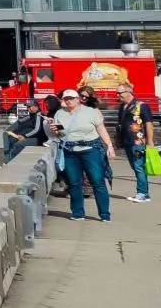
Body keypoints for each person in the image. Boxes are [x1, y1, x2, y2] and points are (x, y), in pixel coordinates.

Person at [54, 87, 113, 221]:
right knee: (74, 183)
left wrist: (109, 145)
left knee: (97, 181)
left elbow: (101, 128)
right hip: (70, 151)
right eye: (65, 99)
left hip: (90, 150)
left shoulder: (90, 112)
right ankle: (77, 213)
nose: (68, 101)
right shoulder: (59, 114)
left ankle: (104, 214)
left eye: (71, 99)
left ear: (77, 100)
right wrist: (55, 131)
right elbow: (59, 134)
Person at [114, 83, 153, 203]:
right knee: (135, 167)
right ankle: (144, 193)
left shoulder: (141, 105)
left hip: (138, 141)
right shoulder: (122, 106)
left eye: (119, 93)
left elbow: (148, 124)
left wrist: (150, 141)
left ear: (128, 92)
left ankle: (142, 193)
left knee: (139, 166)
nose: (117, 95)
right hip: (127, 141)